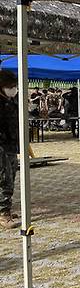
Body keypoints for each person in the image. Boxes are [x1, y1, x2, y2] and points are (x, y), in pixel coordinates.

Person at [0, 70, 20, 229]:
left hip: (11, 145)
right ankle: (3, 212)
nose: (13, 89)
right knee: (5, 178)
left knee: (11, 175)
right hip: (2, 145)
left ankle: (5, 208)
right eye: (10, 86)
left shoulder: (11, 101)